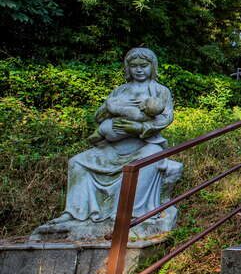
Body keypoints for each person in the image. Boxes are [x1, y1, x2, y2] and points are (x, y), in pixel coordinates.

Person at [32, 47, 182, 240]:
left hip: (144, 145)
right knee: (77, 162)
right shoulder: (120, 91)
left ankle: (132, 213)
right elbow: (99, 115)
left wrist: (138, 127)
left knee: (148, 161)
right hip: (112, 147)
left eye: (143, 65)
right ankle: (75, 212)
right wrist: (111, 109)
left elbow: (165, 118)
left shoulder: (161, 91)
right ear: (127, 68)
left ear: (152, 67)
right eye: (134, 65)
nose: (139, 70)